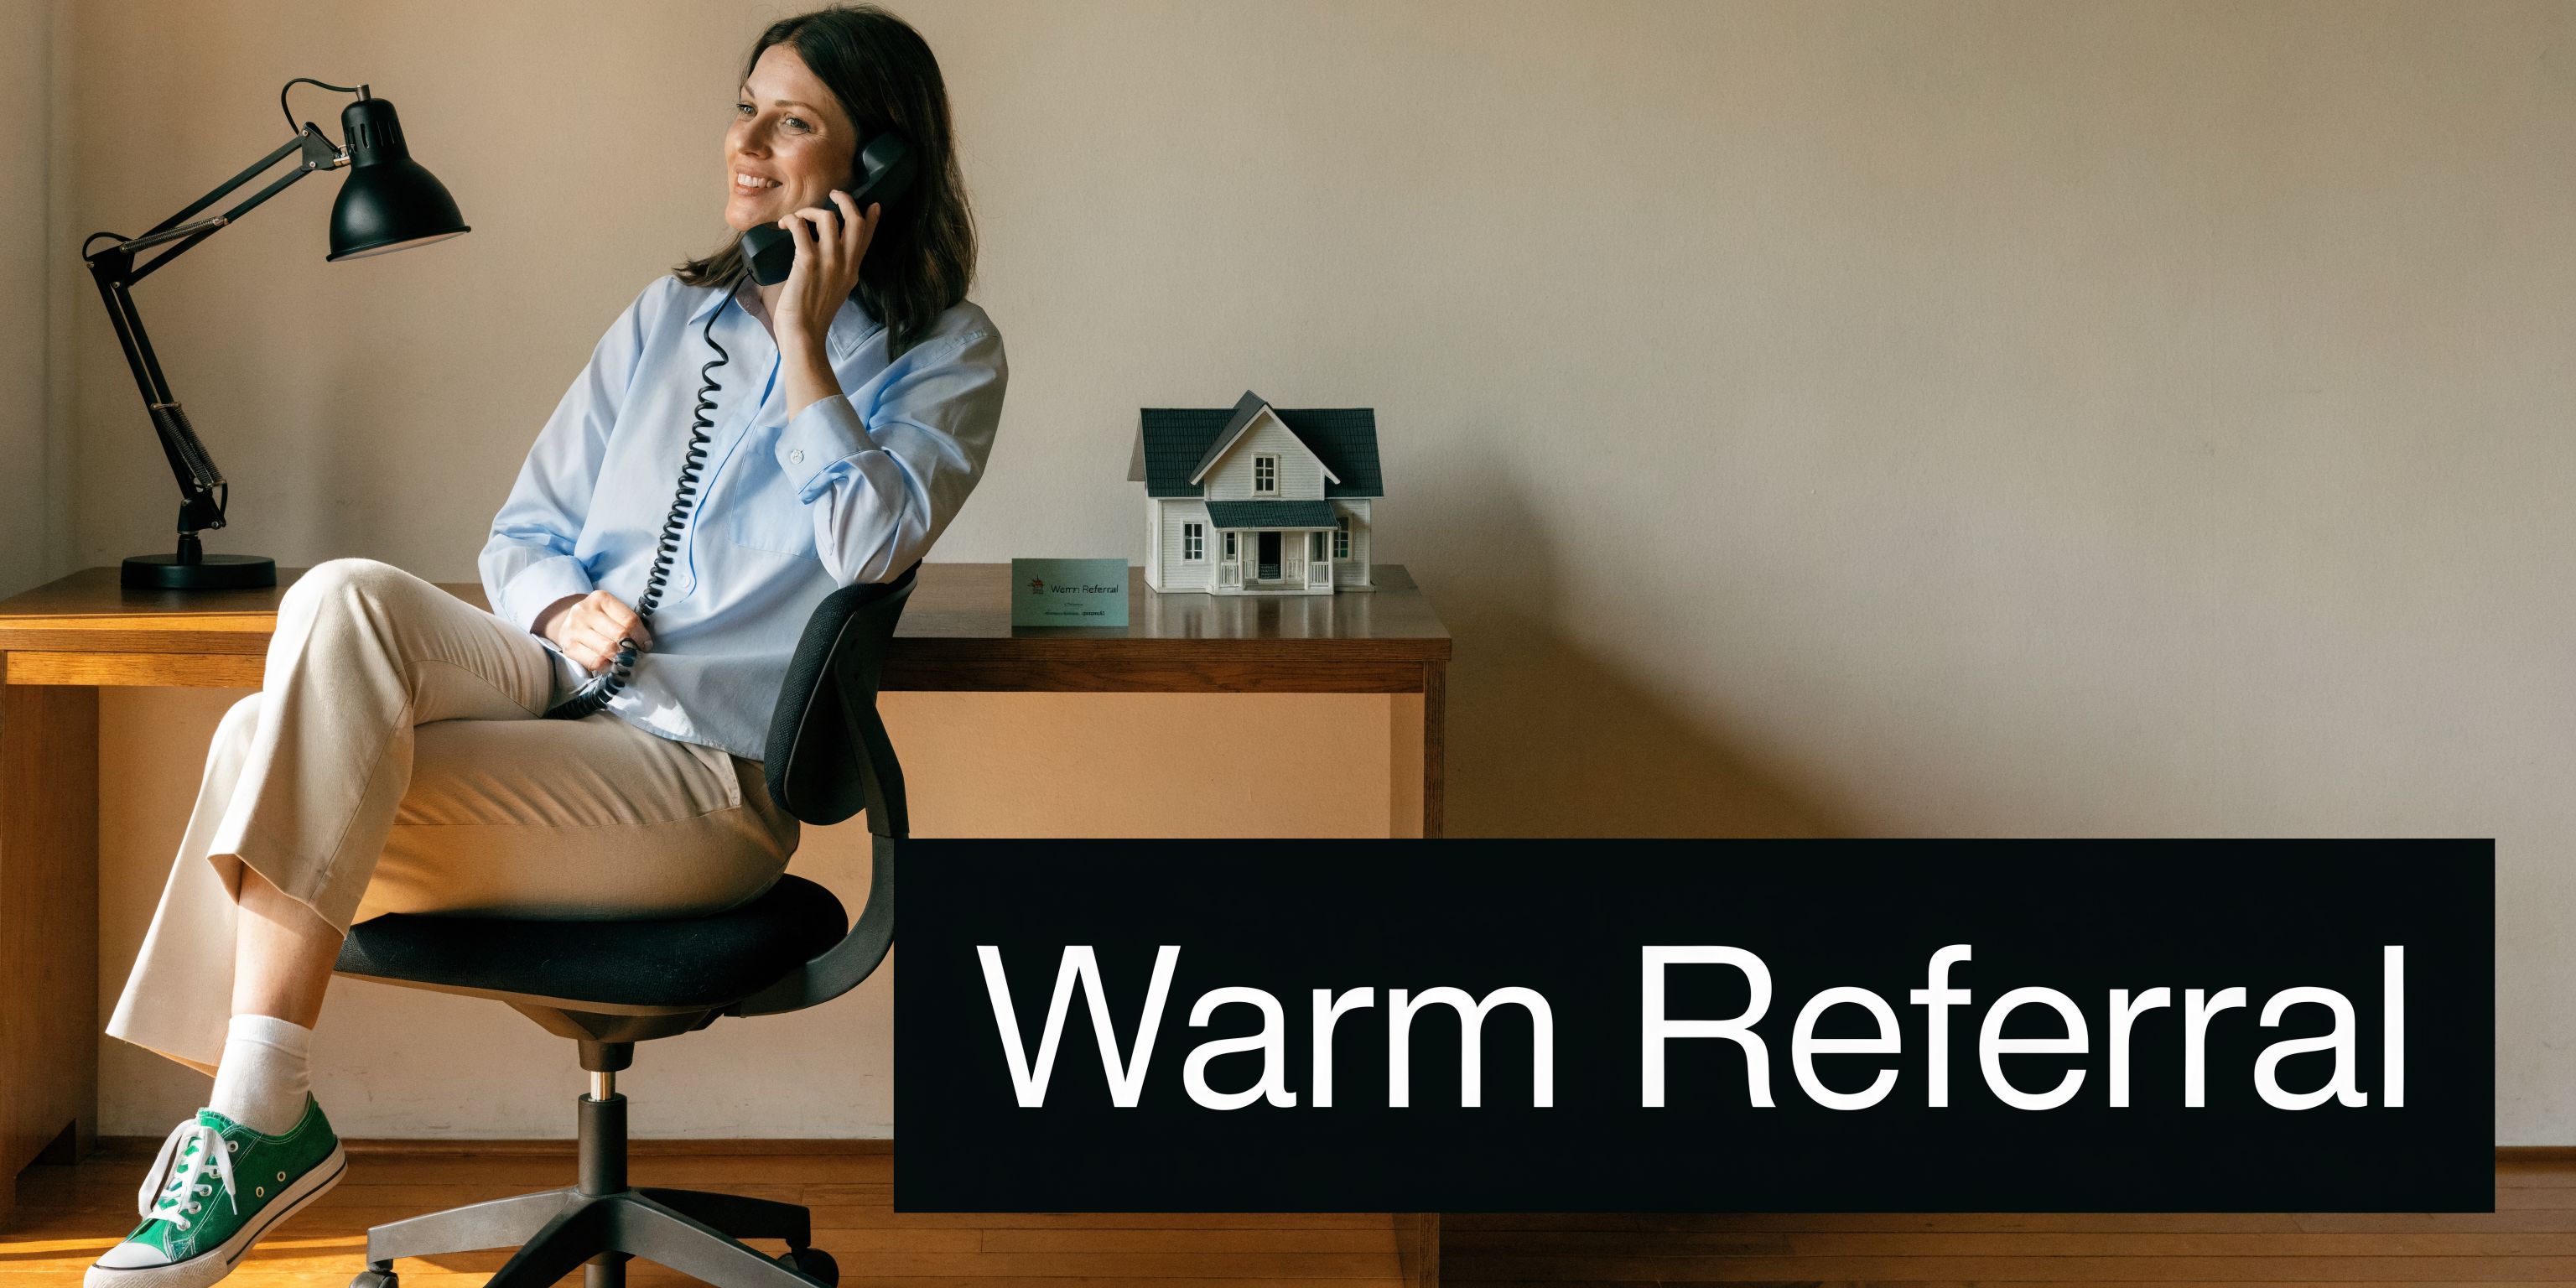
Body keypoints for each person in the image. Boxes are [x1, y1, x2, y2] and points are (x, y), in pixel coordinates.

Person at [86, 8, 1005, 1285]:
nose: (745, 141)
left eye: (793, 120)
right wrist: (557, 606)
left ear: (879, 165)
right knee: (342, 597)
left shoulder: (947, 352)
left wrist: (802, 341)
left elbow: (869, 547)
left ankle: (251, 1118)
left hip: (699, 786)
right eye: (744, 105)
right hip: (555, 686)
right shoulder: (668, 315)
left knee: (259, 741)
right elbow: (523, 533)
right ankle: (255, 1107)